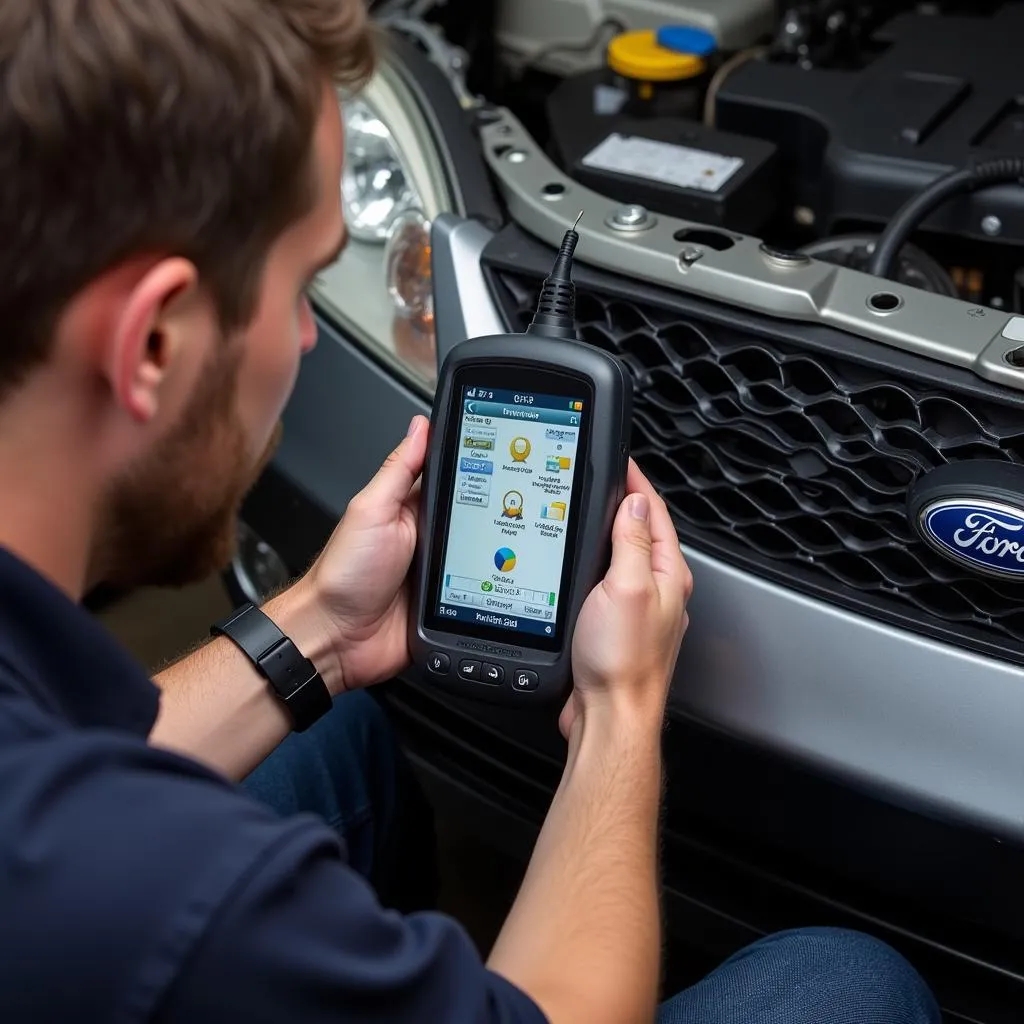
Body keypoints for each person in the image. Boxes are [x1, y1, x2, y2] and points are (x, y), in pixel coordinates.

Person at [0, 1, 942, 1021]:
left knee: (343, 731)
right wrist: (618, 714)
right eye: (301, 286)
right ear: (151, 344)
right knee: (847, 984)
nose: (309, 338)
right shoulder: (177, 906)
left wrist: (322, 624)